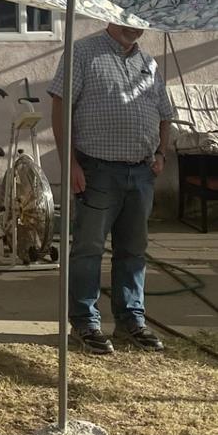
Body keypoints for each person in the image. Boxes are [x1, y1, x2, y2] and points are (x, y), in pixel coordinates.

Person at [48, 22, 173, 355]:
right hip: (97, 170)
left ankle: (131, 320)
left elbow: (165, 113)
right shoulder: (83, 53)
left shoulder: (148, 62)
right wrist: (70, 163)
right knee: (88, 249)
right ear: (111, 17)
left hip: (141, 172)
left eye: (140, 23)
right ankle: (85, 323)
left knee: (133, 250)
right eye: (128, 20)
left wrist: (161, 153)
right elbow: (60, 107)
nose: (135, 28)